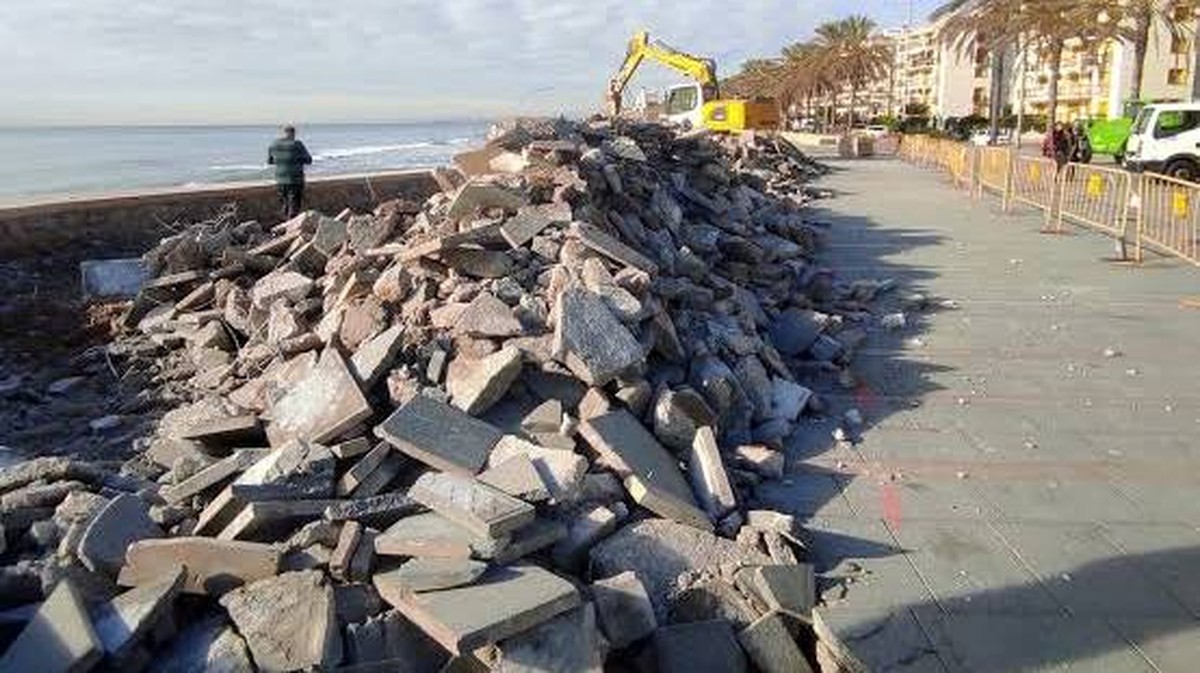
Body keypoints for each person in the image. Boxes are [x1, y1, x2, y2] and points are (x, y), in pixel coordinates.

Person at [267, 125, 313, 219]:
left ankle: (284, 225)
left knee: (284, 204)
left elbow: (270, 161)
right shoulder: (297, 144)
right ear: (293, 133)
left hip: (280, 179)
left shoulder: (273, 144)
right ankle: (290, 228)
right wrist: (296, 159)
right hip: (295, 179)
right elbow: (309, 160)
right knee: (294, 205)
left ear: (283, 132)